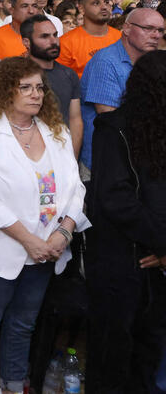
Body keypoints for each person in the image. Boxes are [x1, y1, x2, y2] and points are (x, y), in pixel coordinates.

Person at [0, 56, 89, 394]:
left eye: (39, 88)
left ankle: (13, 387)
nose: (36, 94)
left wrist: (64, 231)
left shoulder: (56, 133)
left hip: (46, 250)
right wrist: (28, 239)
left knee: (23, 326)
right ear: (5, 90)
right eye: (26, 87)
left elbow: (76, 187)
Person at [85, 51, 166, 393]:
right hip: (121, 260)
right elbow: (115, 199)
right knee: (112, 353)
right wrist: (160, 241)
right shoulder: (112, 129)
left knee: (147, 352)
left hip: (157, 262)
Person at [79, 7, 165, 170]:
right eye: (148, 29)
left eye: (160, 30)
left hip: (140, 159)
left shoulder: (154, 63)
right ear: (126, 28)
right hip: (107, 161)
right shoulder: (105, 62)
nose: (156, 35)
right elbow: (109, 117)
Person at [21, 14, 83, 157]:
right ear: (26, 42)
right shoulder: (15, 74)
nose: (53, 41)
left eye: (55, 35)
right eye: (44, 36)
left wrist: (71, 159)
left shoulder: (68, 74)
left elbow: (75, 119)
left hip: (63, 154)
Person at [58, 0, 120, 78]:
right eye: (96, 3)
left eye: (106, 2)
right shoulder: (65, 43)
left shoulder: (120, 38)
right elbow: (60, 81)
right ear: (81, 9)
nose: (104, 7)